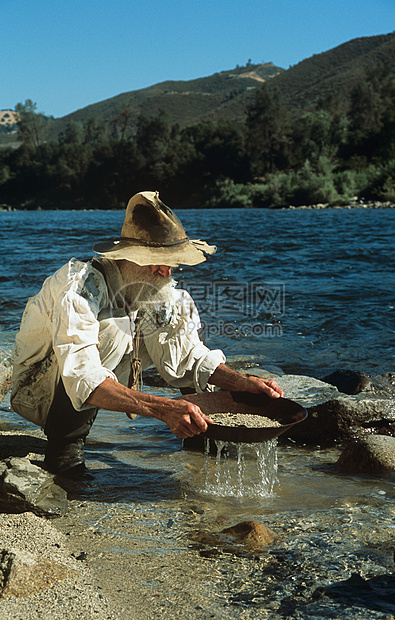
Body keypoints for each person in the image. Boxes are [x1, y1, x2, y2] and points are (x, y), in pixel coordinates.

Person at [11, 191, 284, 477]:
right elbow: (82, 375)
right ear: (130, 258)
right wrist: (164, 409)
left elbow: (189, 356)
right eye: (158, 262)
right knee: (112, 330)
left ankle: (202, 436)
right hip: (42, 388)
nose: (167, 272)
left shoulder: (151, 288)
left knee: (173, 306)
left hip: (88, 374)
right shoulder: (80, 290)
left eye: (171, 263)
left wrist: (242, 383)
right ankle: (65, 451)